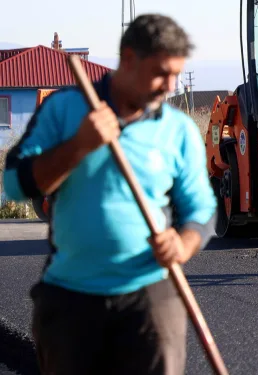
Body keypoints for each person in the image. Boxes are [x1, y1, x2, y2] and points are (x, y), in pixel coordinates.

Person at [2, 14, 216, 374]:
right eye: (161, 72)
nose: (170, 85)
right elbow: (15, 184)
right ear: (129, 59)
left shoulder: (176, 130)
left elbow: (202, 210)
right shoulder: (64, 109)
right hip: (70, 299)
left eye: (176, 74)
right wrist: (79, 147)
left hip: (149, 296)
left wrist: (184, 244)